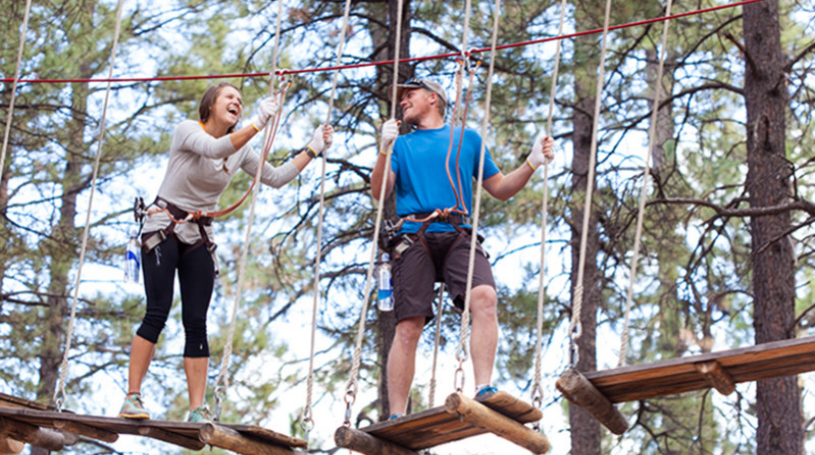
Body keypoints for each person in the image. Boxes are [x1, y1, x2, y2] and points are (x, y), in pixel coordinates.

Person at [118, 82, 333, 423]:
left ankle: (196, 409)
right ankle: (132, 397)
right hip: (162, 228)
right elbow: (214, 148)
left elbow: (275, 177)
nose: (237, 101)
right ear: (211, 104)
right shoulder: (189, 130)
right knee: (157, 312)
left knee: (196, 322)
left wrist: (313, 148)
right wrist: (258, 125)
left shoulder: (242, 150)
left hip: (199, 234)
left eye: (240, 100)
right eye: (229, 97)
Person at [371, 78, 554, 418]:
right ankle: (396, 413)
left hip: (457, 232)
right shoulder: (401, 146)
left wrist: (530, 164)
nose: (403, 102)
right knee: (409, 324)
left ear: (433, 99)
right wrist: (384, 150)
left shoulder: (467, 140)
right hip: (415, 234)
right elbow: (381, 192)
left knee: (484, 298)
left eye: (410, 95)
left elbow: (499, 188)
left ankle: (483, 387)